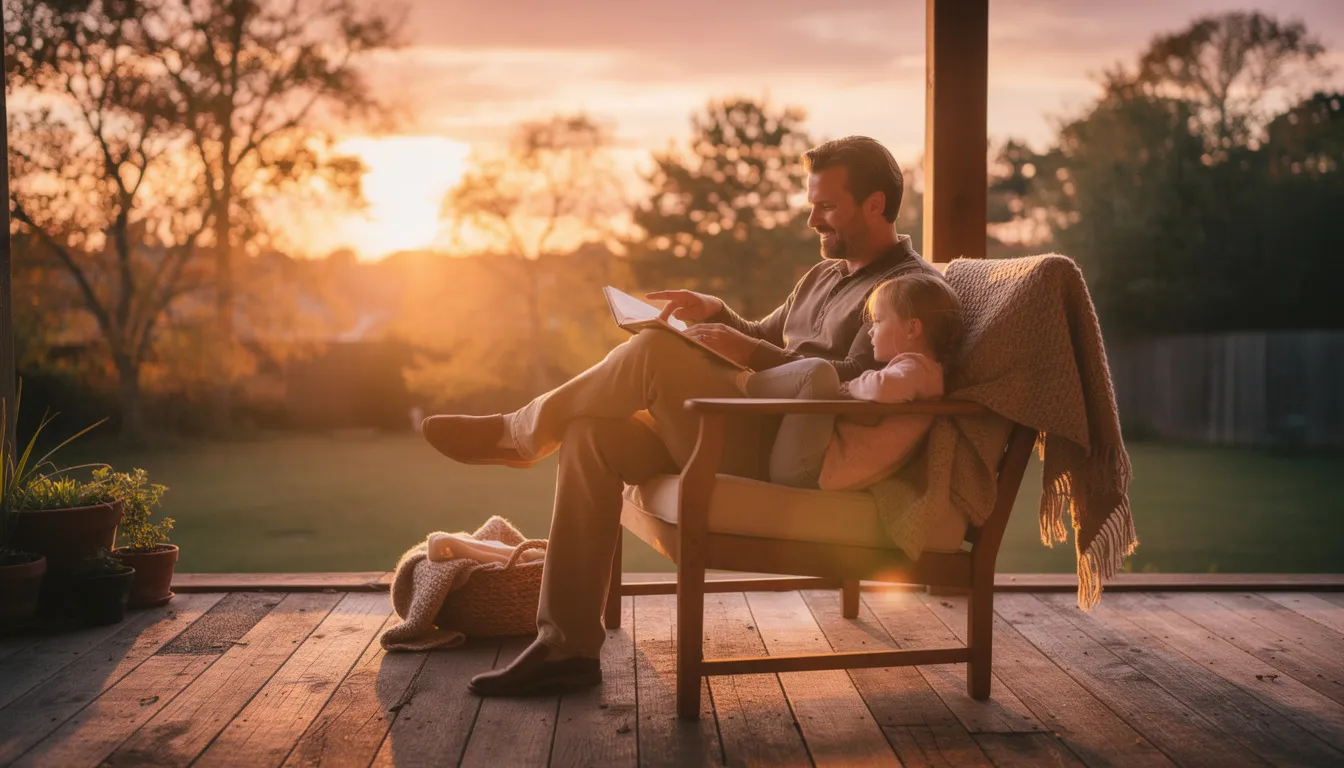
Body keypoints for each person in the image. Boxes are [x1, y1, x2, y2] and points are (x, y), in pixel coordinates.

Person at [421, 135, 944, 697]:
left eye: (827, 206)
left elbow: (854, 390)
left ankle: (517, 434)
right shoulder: (824, 274)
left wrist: (750, 356)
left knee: (653, 352)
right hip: (736, 415)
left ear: (874, 205)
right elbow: (766, 337)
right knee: (592, 434)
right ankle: (566, 646)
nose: (813, 217)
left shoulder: (907, 292)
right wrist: (715, 313)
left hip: (782, 444)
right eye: (811, 202)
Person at [740, 272, 964, 490]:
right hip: (816, 466)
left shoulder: (918, 369)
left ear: (912, 328)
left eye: (877, 321)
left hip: (813, 471)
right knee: (818, 374)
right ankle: (745, 382)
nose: (870, 332)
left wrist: (846, 387)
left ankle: (741, 382)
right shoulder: (918, 371)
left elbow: (884, 387)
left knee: (818, 372)